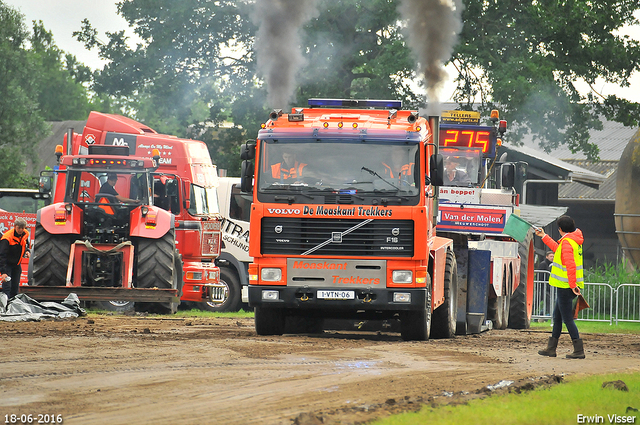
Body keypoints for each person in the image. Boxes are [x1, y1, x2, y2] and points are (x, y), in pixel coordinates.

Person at [535, 215, 586, 359]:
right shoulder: (573, 239)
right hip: (566, 285)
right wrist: (544, 236)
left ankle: (578, 350)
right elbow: (559, 249)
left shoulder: (568, 242)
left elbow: (570, 265)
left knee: (567, 319)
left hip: (565, 286)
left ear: (560, 229)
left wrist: (572, 285)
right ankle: (551, 349)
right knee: (557, 317)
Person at [0, 218, 30, 299]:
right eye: (18, 228)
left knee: (15, 286)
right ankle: (5, 305)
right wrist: (3, 272)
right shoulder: (7, 238)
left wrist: (27, 251)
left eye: (22, 228)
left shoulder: (25, 234)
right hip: (7, 265)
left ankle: (13, 305)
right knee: (7, 287)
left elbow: (26, 244)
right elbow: (2, 255)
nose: (20, 230)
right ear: (14, 226)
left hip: (17, 264)